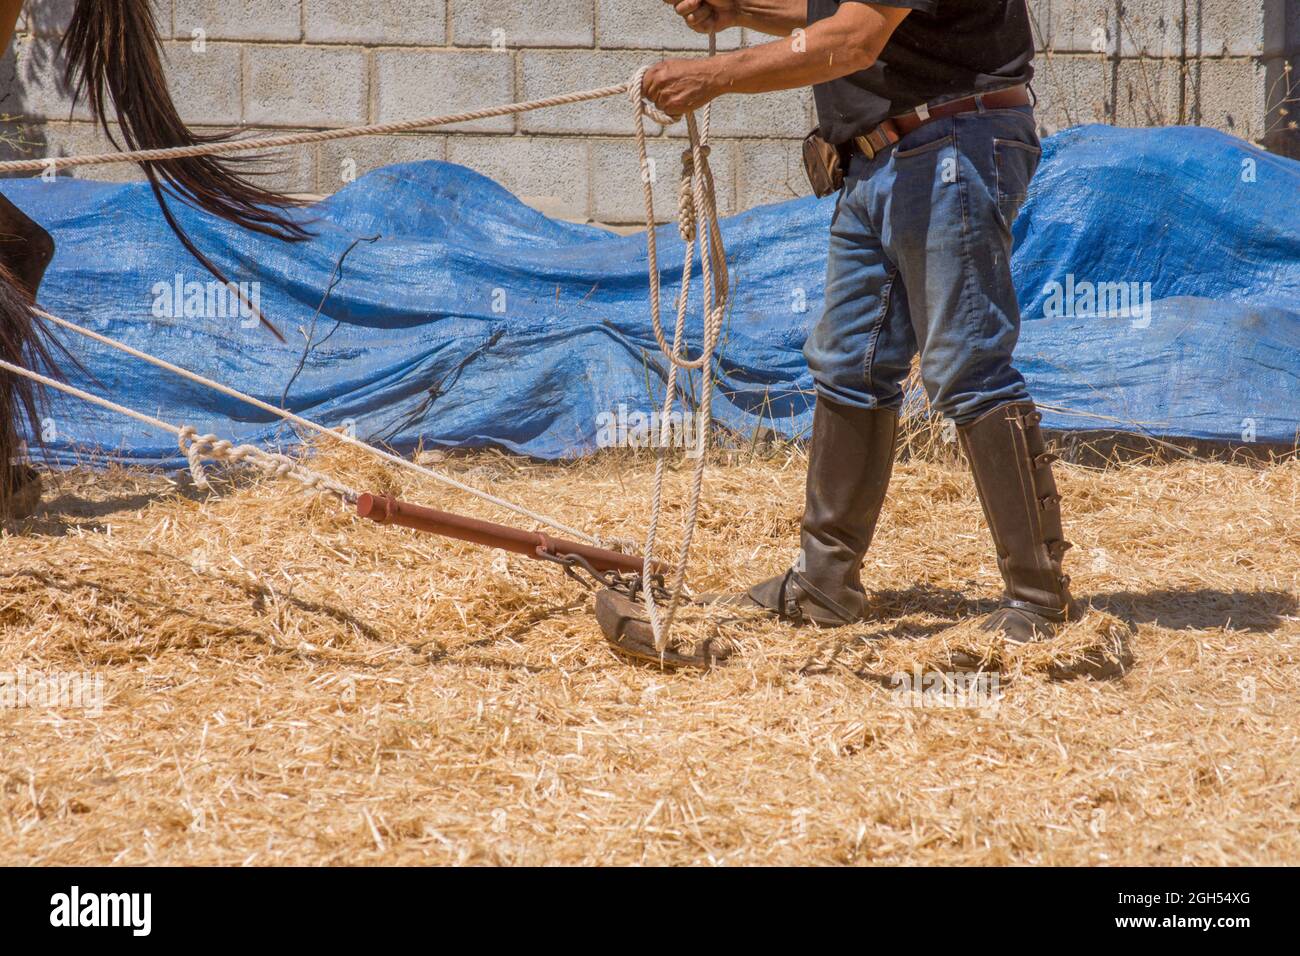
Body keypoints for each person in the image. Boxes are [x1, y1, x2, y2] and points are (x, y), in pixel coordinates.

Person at [644, 0, 1078, 642]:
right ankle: (824, 583)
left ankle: (1038, 599)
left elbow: (852, 39)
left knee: (966, 365)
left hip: (950, 144)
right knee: (850, 361)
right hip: (885, 156)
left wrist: (715, 76)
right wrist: (739, 9)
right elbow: (834, 10)